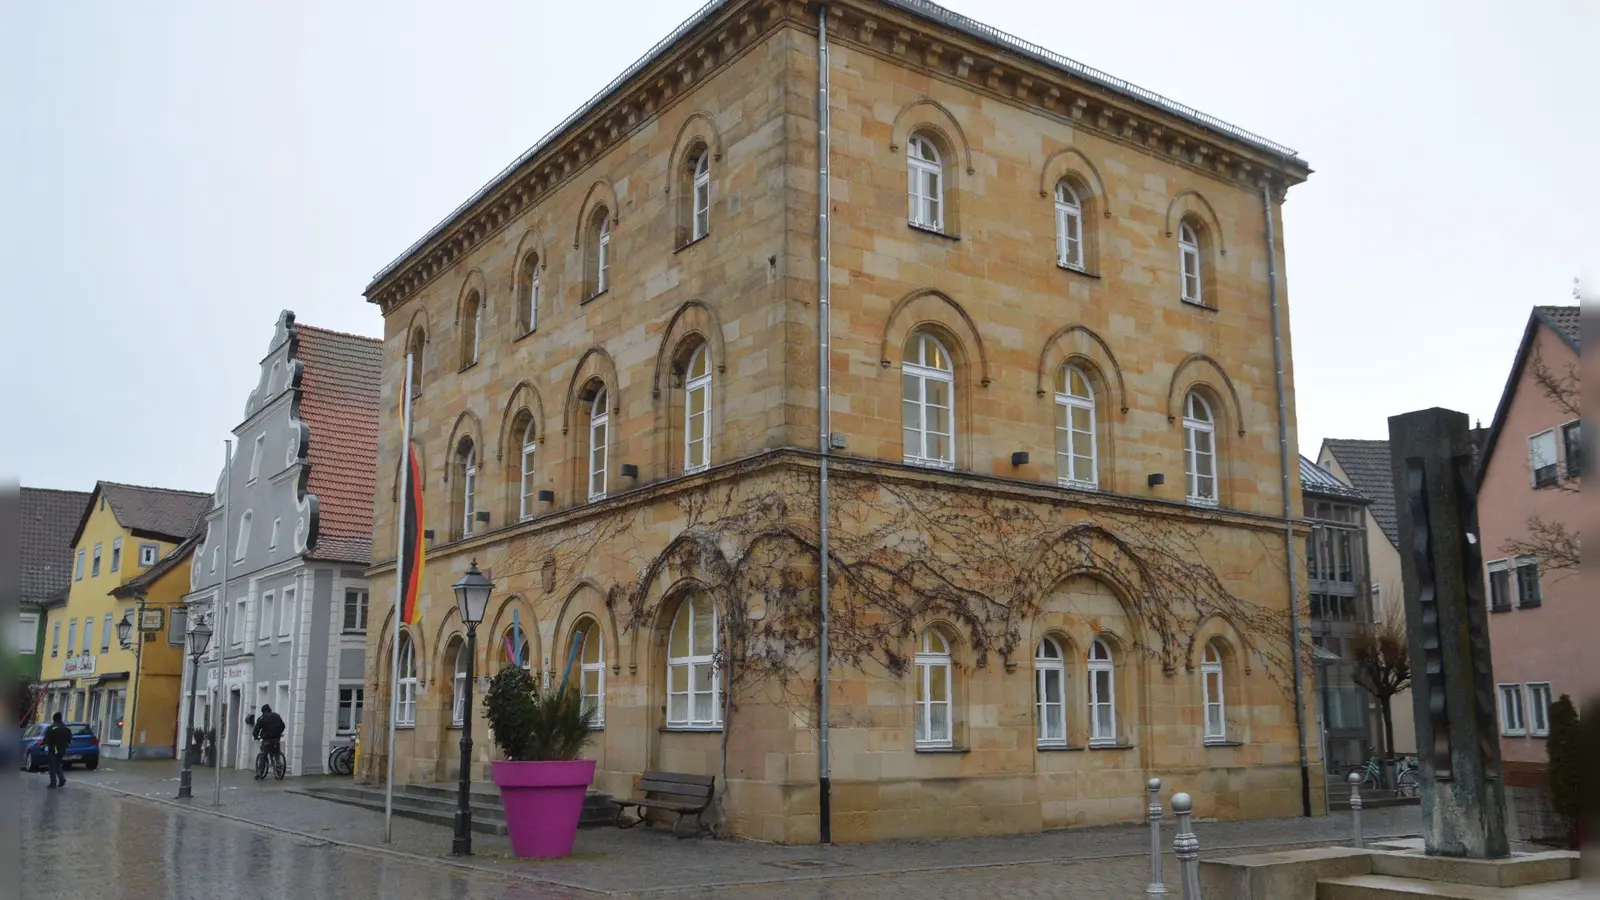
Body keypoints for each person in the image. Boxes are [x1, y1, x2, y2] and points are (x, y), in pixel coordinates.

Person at [251, 704, 286, 779]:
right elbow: (283, 725)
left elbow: (256, 729)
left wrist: (255, 736)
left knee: (263, 755)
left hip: (267, 740)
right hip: (276, 739)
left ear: (263, 711)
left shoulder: (262, 718)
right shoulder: (277, 716)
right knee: (277, 754)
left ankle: (260, 772)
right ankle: (278, 768)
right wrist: (279, 733)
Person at [43, 712, 73, 789]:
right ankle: (61, 779)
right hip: (63, 749)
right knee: (57, 764)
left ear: (54, 719)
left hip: (53, 750)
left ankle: (53, 783)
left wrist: (44, 747)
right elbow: (69, 739)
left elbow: (46, 739)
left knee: (52, 766)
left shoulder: (51, 728)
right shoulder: (66, 728)